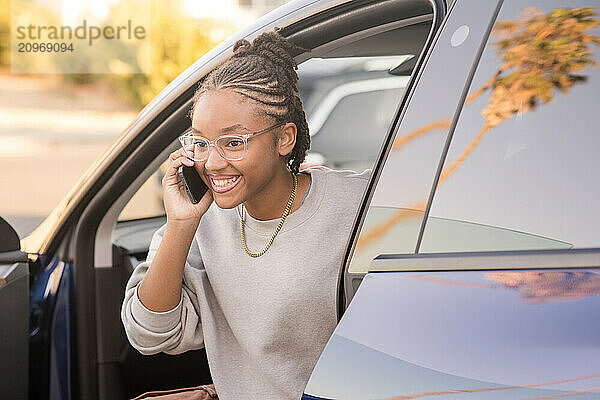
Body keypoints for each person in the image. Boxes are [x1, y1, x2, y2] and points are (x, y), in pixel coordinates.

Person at [121, 28, 370, 400]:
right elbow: (149, 334)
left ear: (284, 139)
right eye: (201, 142)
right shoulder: (200, 221)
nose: (213, 162)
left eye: (234, 142)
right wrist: (180, 225)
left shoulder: (358, 204)